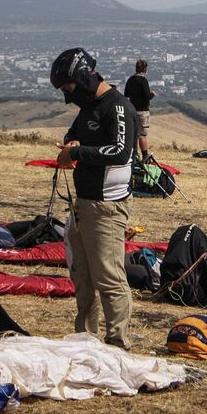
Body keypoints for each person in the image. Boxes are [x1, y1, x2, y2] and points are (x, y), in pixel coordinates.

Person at [50, 47, 137, 349]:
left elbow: (121, 151)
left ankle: (117, 343)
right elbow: (73, 136)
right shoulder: (88, 108)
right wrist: (71, 143)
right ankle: (85, 340)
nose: (67, 96)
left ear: (83, 77)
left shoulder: (118, 107)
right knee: (83, 279)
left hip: (106, 208)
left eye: (69, 88)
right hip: (81, 205)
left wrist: (75, 152)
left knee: (109, 277)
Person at [123, 59, 153, 158]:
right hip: (142, 110)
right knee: (142, 135)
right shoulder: (143, 80)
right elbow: (146, 95)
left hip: (132, 110)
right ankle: (145, 155)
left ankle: (134, 154)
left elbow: (126, 94)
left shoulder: (130, 79)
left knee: (133, 134)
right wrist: (152, 94)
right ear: (145, 69)